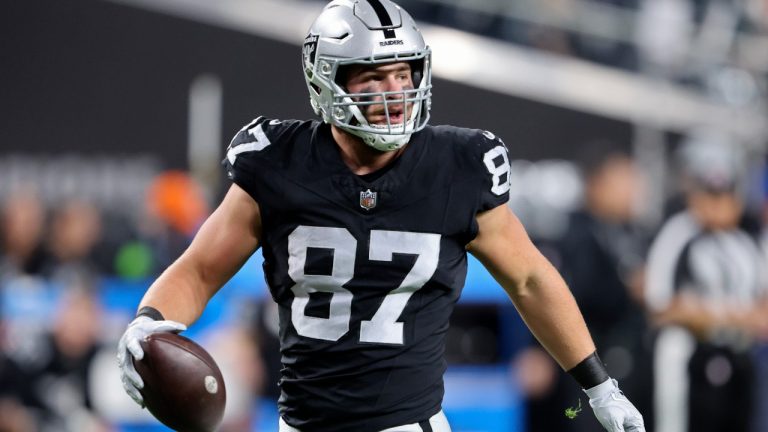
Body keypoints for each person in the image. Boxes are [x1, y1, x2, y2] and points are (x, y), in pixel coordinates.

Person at [117, 1, 645, 431]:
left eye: (404, 73)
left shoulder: (457, 166)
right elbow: (200, 268)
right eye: (373, 77)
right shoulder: (277, 162)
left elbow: (530, 279)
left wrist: (599, 385)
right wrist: (148, 320)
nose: (395, 93)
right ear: (326, 81)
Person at [645, 137, 768, 432]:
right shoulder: (678, 232)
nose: (718, 206)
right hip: (688, 360)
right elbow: (661, 307)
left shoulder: (749, 239)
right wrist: (730, 316)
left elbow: (763, 312)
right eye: (710, 196)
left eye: (725, 196)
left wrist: (706, 313)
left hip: (738, 359)